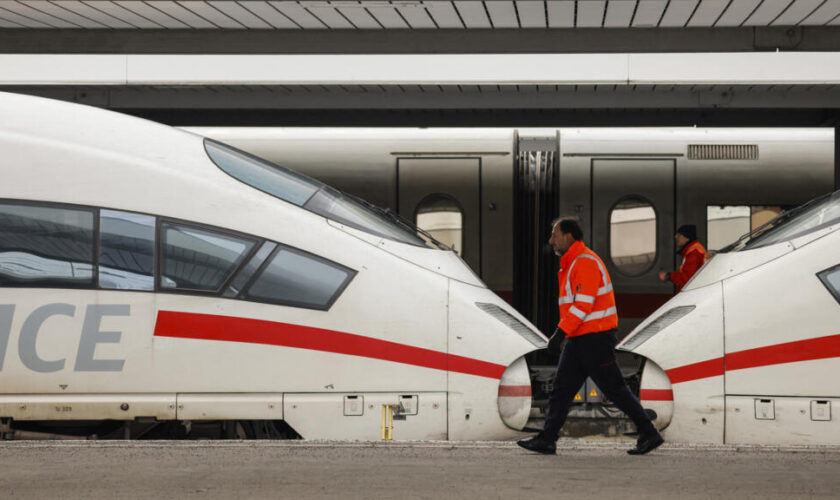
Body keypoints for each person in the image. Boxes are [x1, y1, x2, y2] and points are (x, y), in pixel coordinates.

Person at [517, 217, 663, 456]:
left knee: (615, 389)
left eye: (555, 235)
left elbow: (582, 305)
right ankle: (548, 438)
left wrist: (558, 334)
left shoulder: (584, 262)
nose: (551, 240)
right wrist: (566, 334)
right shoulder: (573, 262)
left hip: (594, 339)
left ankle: (649, 433)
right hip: (581, 339)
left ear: (568, 236)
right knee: (562, 389)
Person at [658, 225, 710, 293]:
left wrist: (669, 276)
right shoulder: (694, 250)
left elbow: (687, 279)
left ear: (687, 238)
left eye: (679, 235)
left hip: (693, 293)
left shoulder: (694, 253)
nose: (675, 236)